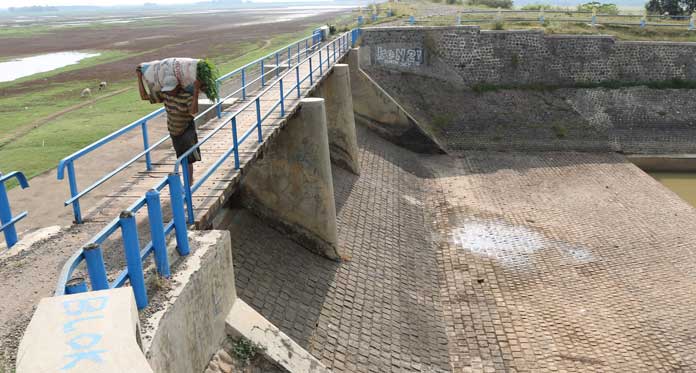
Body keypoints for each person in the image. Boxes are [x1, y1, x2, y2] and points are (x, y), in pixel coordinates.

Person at [136, 61, 204, 183]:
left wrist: (195, 94)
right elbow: (144, 96)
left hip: (186, 129)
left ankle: (188, 183)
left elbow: (194, 111)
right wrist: (139, 78)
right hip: (174, 131)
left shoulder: (186, 96)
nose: (169, 92)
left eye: (171, 89)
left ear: (178, 86)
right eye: (167, 90)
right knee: (181, 157)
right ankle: (189, 180)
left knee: (187, 158)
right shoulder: (165, 94)